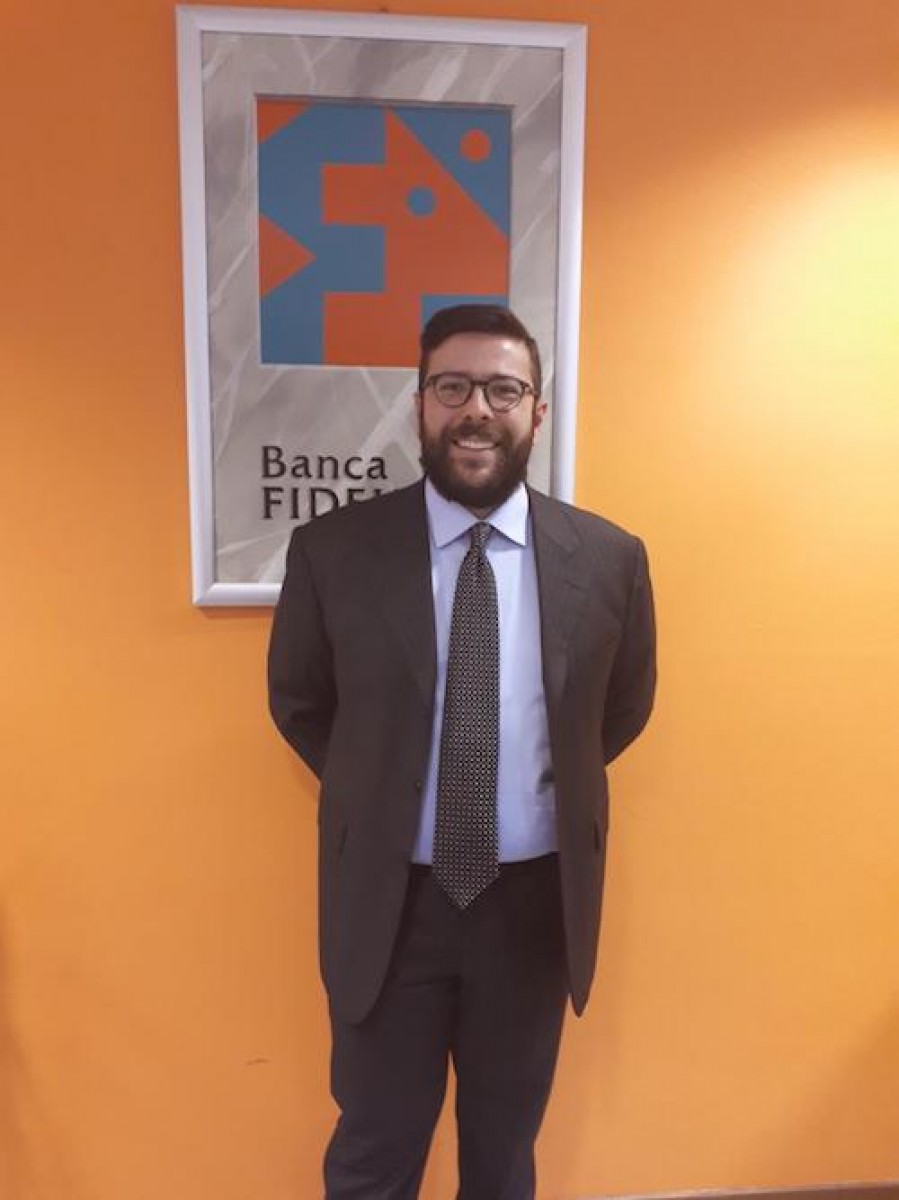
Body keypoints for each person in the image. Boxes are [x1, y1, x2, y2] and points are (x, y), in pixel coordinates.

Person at [268, 304, 656, 1199]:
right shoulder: (334, 551)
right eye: (452, 387)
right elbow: (301, 702)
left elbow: (619, 710)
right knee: (373, 1152)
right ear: (418, 404)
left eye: (502, 389)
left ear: (537, 412)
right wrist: (384, 789)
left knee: (503, 1155)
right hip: (391, 907)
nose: (476, 409)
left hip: (532, 910)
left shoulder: (608, 559)